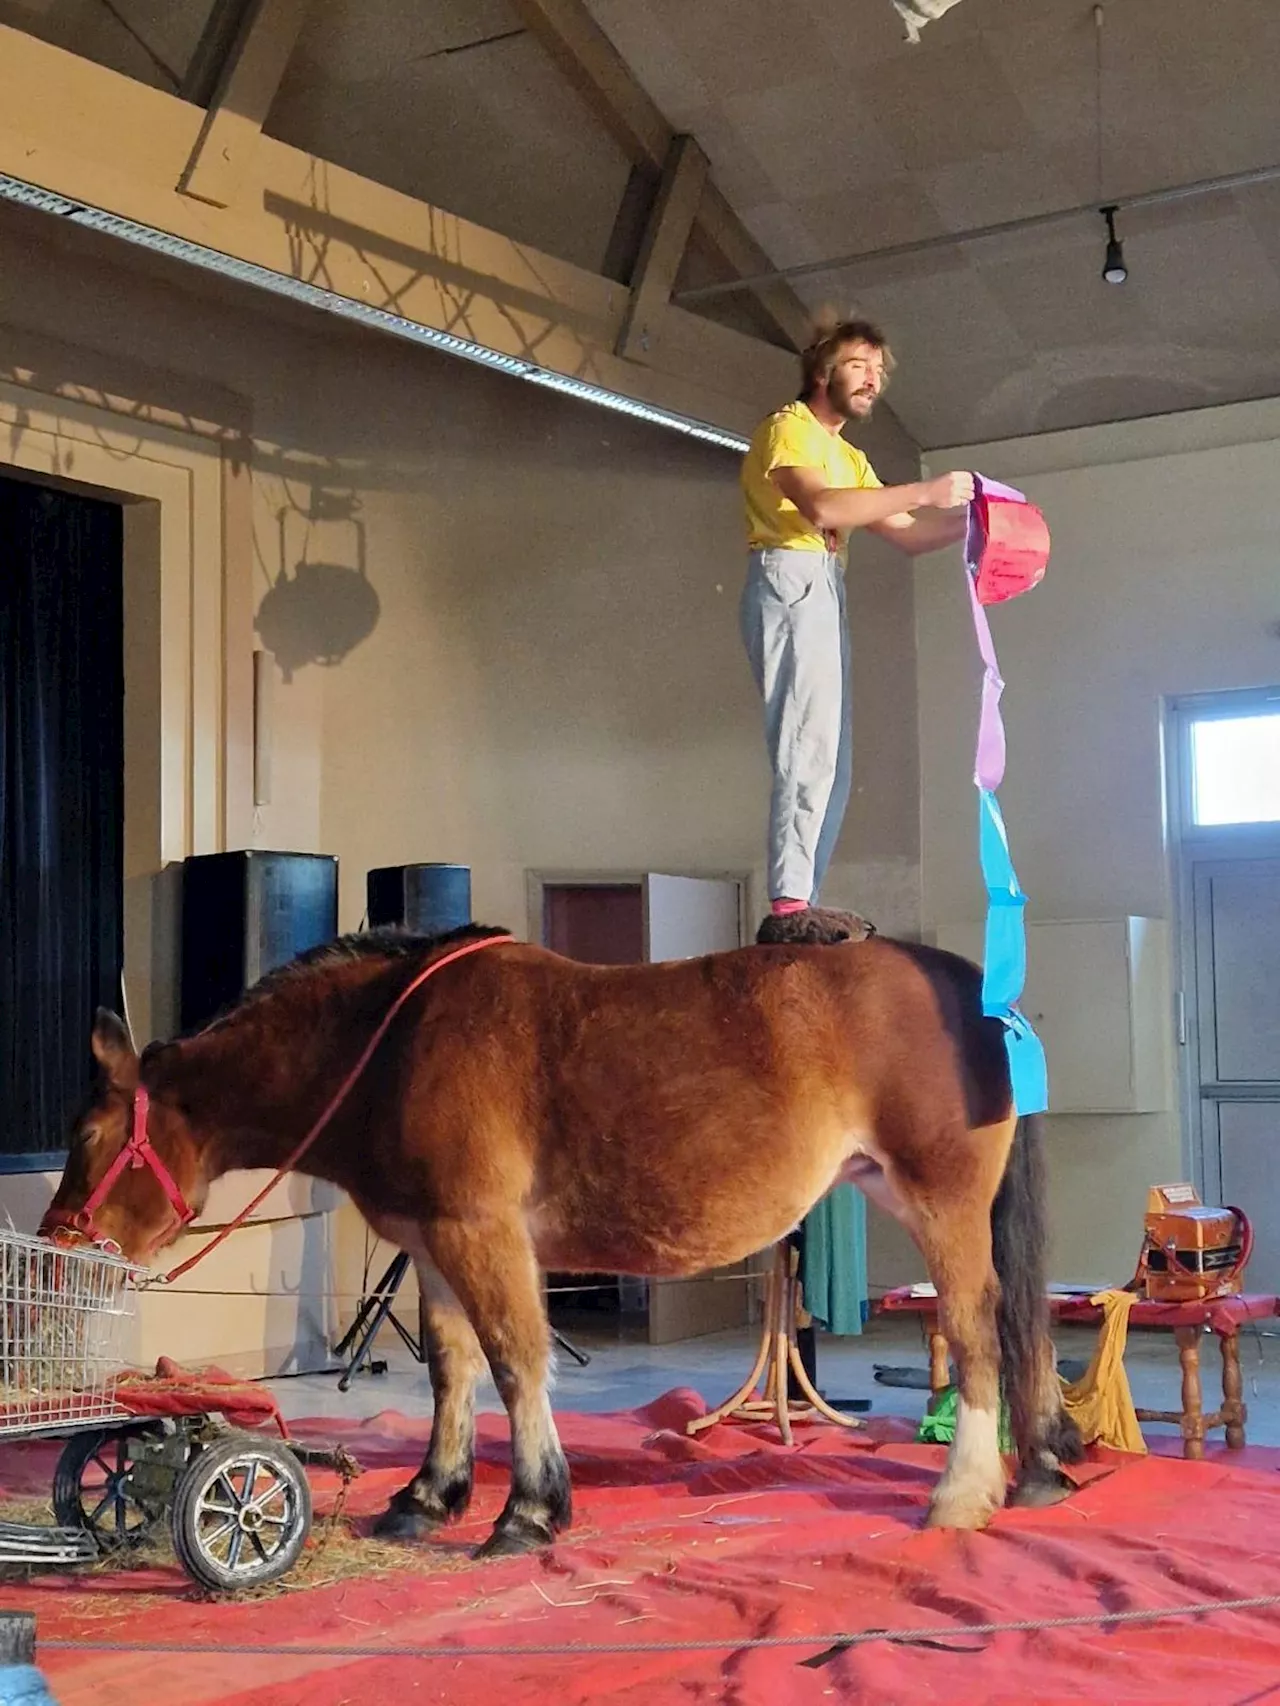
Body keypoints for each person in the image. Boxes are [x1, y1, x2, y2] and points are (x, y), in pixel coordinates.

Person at [740, 316, 975, 946]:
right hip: (790, 575)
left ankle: (804, 898)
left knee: (834, 759)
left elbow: (908, 534)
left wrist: (979, 526)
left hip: (825, 582)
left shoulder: (851, 457)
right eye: (857, 365)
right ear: (822, 372)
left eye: (879, 370)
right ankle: (789, 904)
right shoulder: (788, 428)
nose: (872, 379)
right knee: (806, 742)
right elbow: (823, 507)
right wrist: (927, 489)